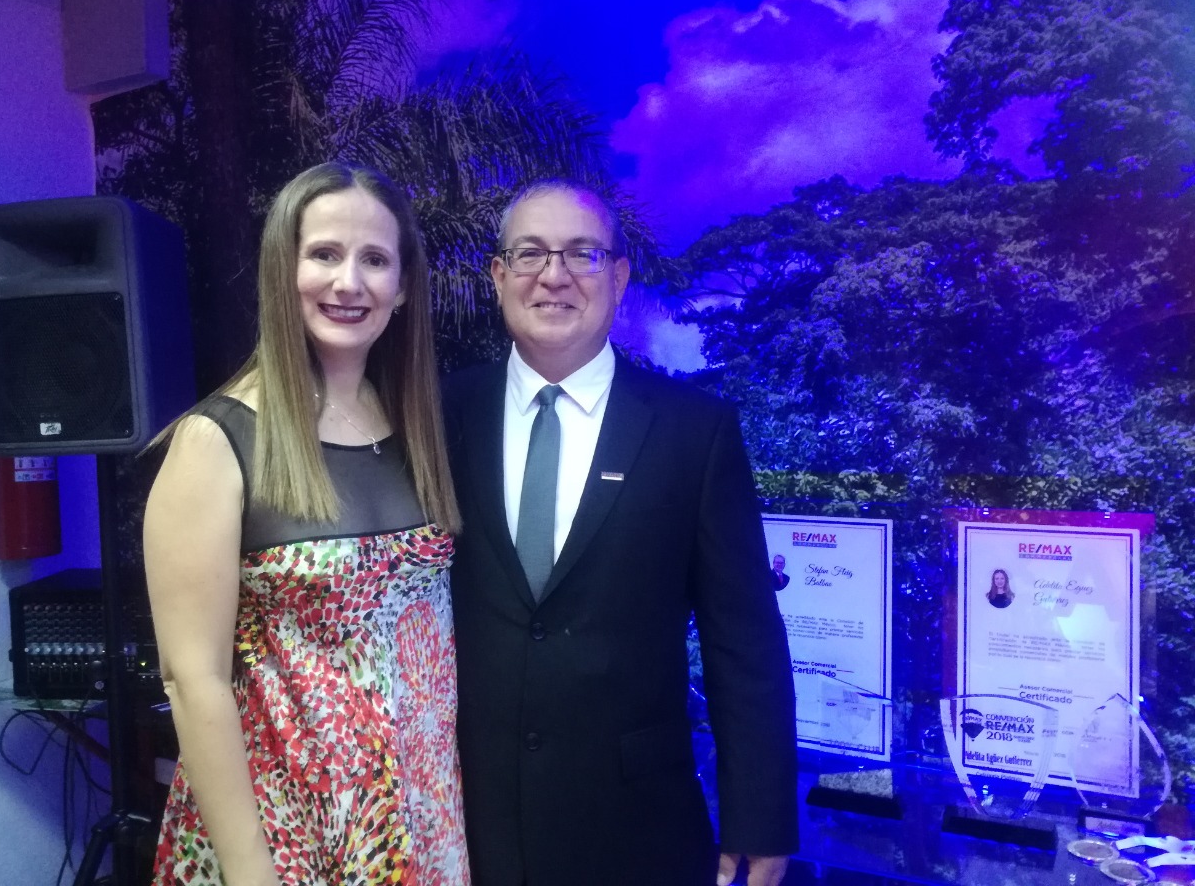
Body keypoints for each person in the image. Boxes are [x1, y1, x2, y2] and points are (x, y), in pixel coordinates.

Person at [444, 181, 798, 886]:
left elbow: (744, 638)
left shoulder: (694, 431)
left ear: (619, 276)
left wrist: (759, 816)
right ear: (498, 275)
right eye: (531, 253)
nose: (554, 275)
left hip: (638, 829)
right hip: (467, 824)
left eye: (582, 253)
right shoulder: (438, 411)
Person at [144, 162, 469, 886]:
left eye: (374, 259)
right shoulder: (216, 441)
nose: (348, 282)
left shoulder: (417, 428)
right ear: (282, 270)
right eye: (324, 253)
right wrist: (250, 871)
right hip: (281, 837)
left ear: (403, 286)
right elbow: (192, 680)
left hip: (418, 828)